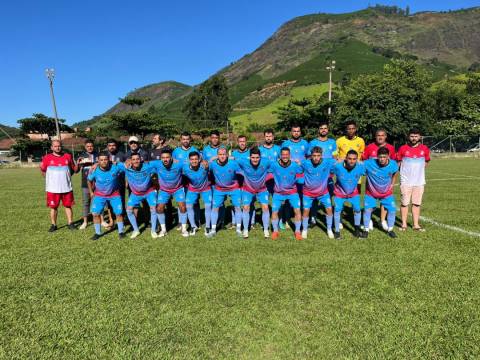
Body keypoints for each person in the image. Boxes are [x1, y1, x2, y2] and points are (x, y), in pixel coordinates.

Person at [362, 129, 397, 231]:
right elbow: (361, 164)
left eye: (382, 135)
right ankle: (368, 223)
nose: (380, 137)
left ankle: (384, 222)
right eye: (378, 135)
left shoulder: (391, 150)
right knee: (368, 208)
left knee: (390, 207)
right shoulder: (369, 149)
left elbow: (394, 171)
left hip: (385, 188)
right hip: (371, 186)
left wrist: (392, 184)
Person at [397, 128, 430, 232]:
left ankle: (416, 225)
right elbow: (398, 163)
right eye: (412, 136)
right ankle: (403, 224)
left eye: (416, 136)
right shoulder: (402, 148)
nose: (414, 138)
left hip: (419, 182)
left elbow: (426, 162)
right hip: (406, 181)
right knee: (404, 203)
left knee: (416, 203)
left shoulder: (424, 148)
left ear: (420, 137)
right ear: (408, 136)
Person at [40, 140, 78, 232]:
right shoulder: (46, 158)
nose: (58, 148)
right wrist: (51, 180)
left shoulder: (68, 156)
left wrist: (79, 165)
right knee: (53, 207)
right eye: (55, 146)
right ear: (51, 147)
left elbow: (73, 169)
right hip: (52, 188)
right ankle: (53, 225)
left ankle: (70, 223)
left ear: (61, 146)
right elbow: (43, 171)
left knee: (68, 206)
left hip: (66, 187)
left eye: (59, 146)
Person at [150, 149, 189, 237]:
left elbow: (191, 161)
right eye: (163, 157)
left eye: (167, 157)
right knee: (159, 208)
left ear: (171, 158)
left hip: (178, 189)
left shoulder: (179, 164)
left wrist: (203, 161)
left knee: (183, 207)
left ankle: (184, 229)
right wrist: (129, 160)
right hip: (164, 190)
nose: (165, 159)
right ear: (160, 159)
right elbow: (144, 163)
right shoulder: (157, 164)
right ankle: (163, 230)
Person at [87, 152, 125, 240]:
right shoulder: (94, 170)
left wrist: (120, 162)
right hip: (99, 195)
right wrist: (91, 192)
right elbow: (89, 180)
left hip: (114, 194)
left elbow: (128, 165)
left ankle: (121, 232)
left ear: (109, 160)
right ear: (98, 161)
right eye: (101, 160)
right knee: (95, 214)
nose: (103, 161)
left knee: (119, 213)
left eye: (105, 159)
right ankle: (98, 233)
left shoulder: (115, 167)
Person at [119, 153, 158, 239]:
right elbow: (113, 163)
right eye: (134, 159)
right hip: (135, 194)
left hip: (149, 192)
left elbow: (160, 163)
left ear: (141, 159)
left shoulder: (147, 166)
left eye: (137, 159)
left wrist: (173, 160)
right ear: (131, 161)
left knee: (153, 209)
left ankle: (153, 230)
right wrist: (96, 164)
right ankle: (136, 230)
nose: (136, 161)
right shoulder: (126, 167)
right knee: (129, 210)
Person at [301, 146, 336, 239]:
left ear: (321, 156)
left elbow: (339, 162)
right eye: (314, 155)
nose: (316, 158)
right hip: (308, 193)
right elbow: (296, 167)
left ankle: (329, 229)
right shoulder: (305, 163)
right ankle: (304, 230)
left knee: (329, 209)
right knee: (305, 211)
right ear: (311, 156)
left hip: (323, 193)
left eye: (318, 155)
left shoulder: (327, 163)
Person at [237, 147, 271, 239]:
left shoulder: (266, 162)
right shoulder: (243, 162)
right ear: (249, 157)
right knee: (246, 207)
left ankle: (266, 229)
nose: (255, 160)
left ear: (260, 157)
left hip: (262, 189)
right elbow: (232, 160)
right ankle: (245, 230)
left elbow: (277, 164)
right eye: (253, 157)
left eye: (257, 157)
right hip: (248, 189)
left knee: (265, 207)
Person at [207, 147, 242, 237]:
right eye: (220, 154)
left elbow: (241, 174)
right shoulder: (213, 165)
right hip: (219, 189)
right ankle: (213, 230)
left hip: (234, 188)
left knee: (237, 207)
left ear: (227, 155)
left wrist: (241, 186)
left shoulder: (233, 164)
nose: (222, 156)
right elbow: (206, 168)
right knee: (215, 208)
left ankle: (238, 229)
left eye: (224, 154)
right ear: (217, 155)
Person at [270, 147, 303, 240]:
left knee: (297, 210)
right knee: (274, 211)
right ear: (280, 155)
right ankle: (275, 231)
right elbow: (264, 169)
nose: (285, 156)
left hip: (292, 192)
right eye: (283, 154)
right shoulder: (274, 165)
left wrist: (300, 164)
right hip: (278, 193)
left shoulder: (295, 165)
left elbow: (303, 171)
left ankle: (297, 232)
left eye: (287, 154)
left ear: (290, 156)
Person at [307, 121, 337, 226]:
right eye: (321, 128)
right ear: (318, 130)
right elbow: (309, 157)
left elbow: (335, 157)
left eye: (325, 128)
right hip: (316, 175)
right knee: (314, 196)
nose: (323, 130)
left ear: (327, 130)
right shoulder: (312, 143)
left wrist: (333, 170)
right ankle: (313, 217)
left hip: (328, 175)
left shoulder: (332, 142)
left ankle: (329, 216)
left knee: (330, 195)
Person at [332, 150, 365, 239]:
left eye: (354, 159)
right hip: (340, 193)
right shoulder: (337, 166)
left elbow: (371, 166)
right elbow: (327, 166)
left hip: (353, 193)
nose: (351, 161)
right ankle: (337, 231)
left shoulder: (361, 167)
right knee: (337, 210)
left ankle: (357, 230)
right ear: (346, 158)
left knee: (358, 209)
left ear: (357, 159)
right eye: (349, 158)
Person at [182, 151, 213, 236]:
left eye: (196, 159)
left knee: (208, 205)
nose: (194, 161)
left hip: (205, 188)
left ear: (199, 159)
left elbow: (213, 161)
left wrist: (206, 161)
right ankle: (193, 226)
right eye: (192, 159)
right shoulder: (185, 168)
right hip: (193, 189)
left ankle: (207, 227)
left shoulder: (204, 166)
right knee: (188, 205)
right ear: (189, 160)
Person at [76, 140, 98, 230]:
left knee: (98, 202)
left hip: (98, 183)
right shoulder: (81, 156)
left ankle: (101, 220)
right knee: (86, 203)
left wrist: (97, 163)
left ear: (93, 146)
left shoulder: (98, 155)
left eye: (91, 146)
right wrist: (77, 164)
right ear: (85, 147)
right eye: (88, 146)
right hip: (85, 183)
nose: (90, 147)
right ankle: (85, 222)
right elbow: (76, 171)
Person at [231, 134, 252, 228]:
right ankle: (234, 222)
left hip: (248, 181)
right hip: (236, 181)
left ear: (246, 142)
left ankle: (251, 222)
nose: (242, 143)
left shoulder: (251, 153)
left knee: (249, 202)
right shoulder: (234, 153)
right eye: (240, 141)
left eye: (243, 141)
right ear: (237, 142)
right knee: (236, 202)